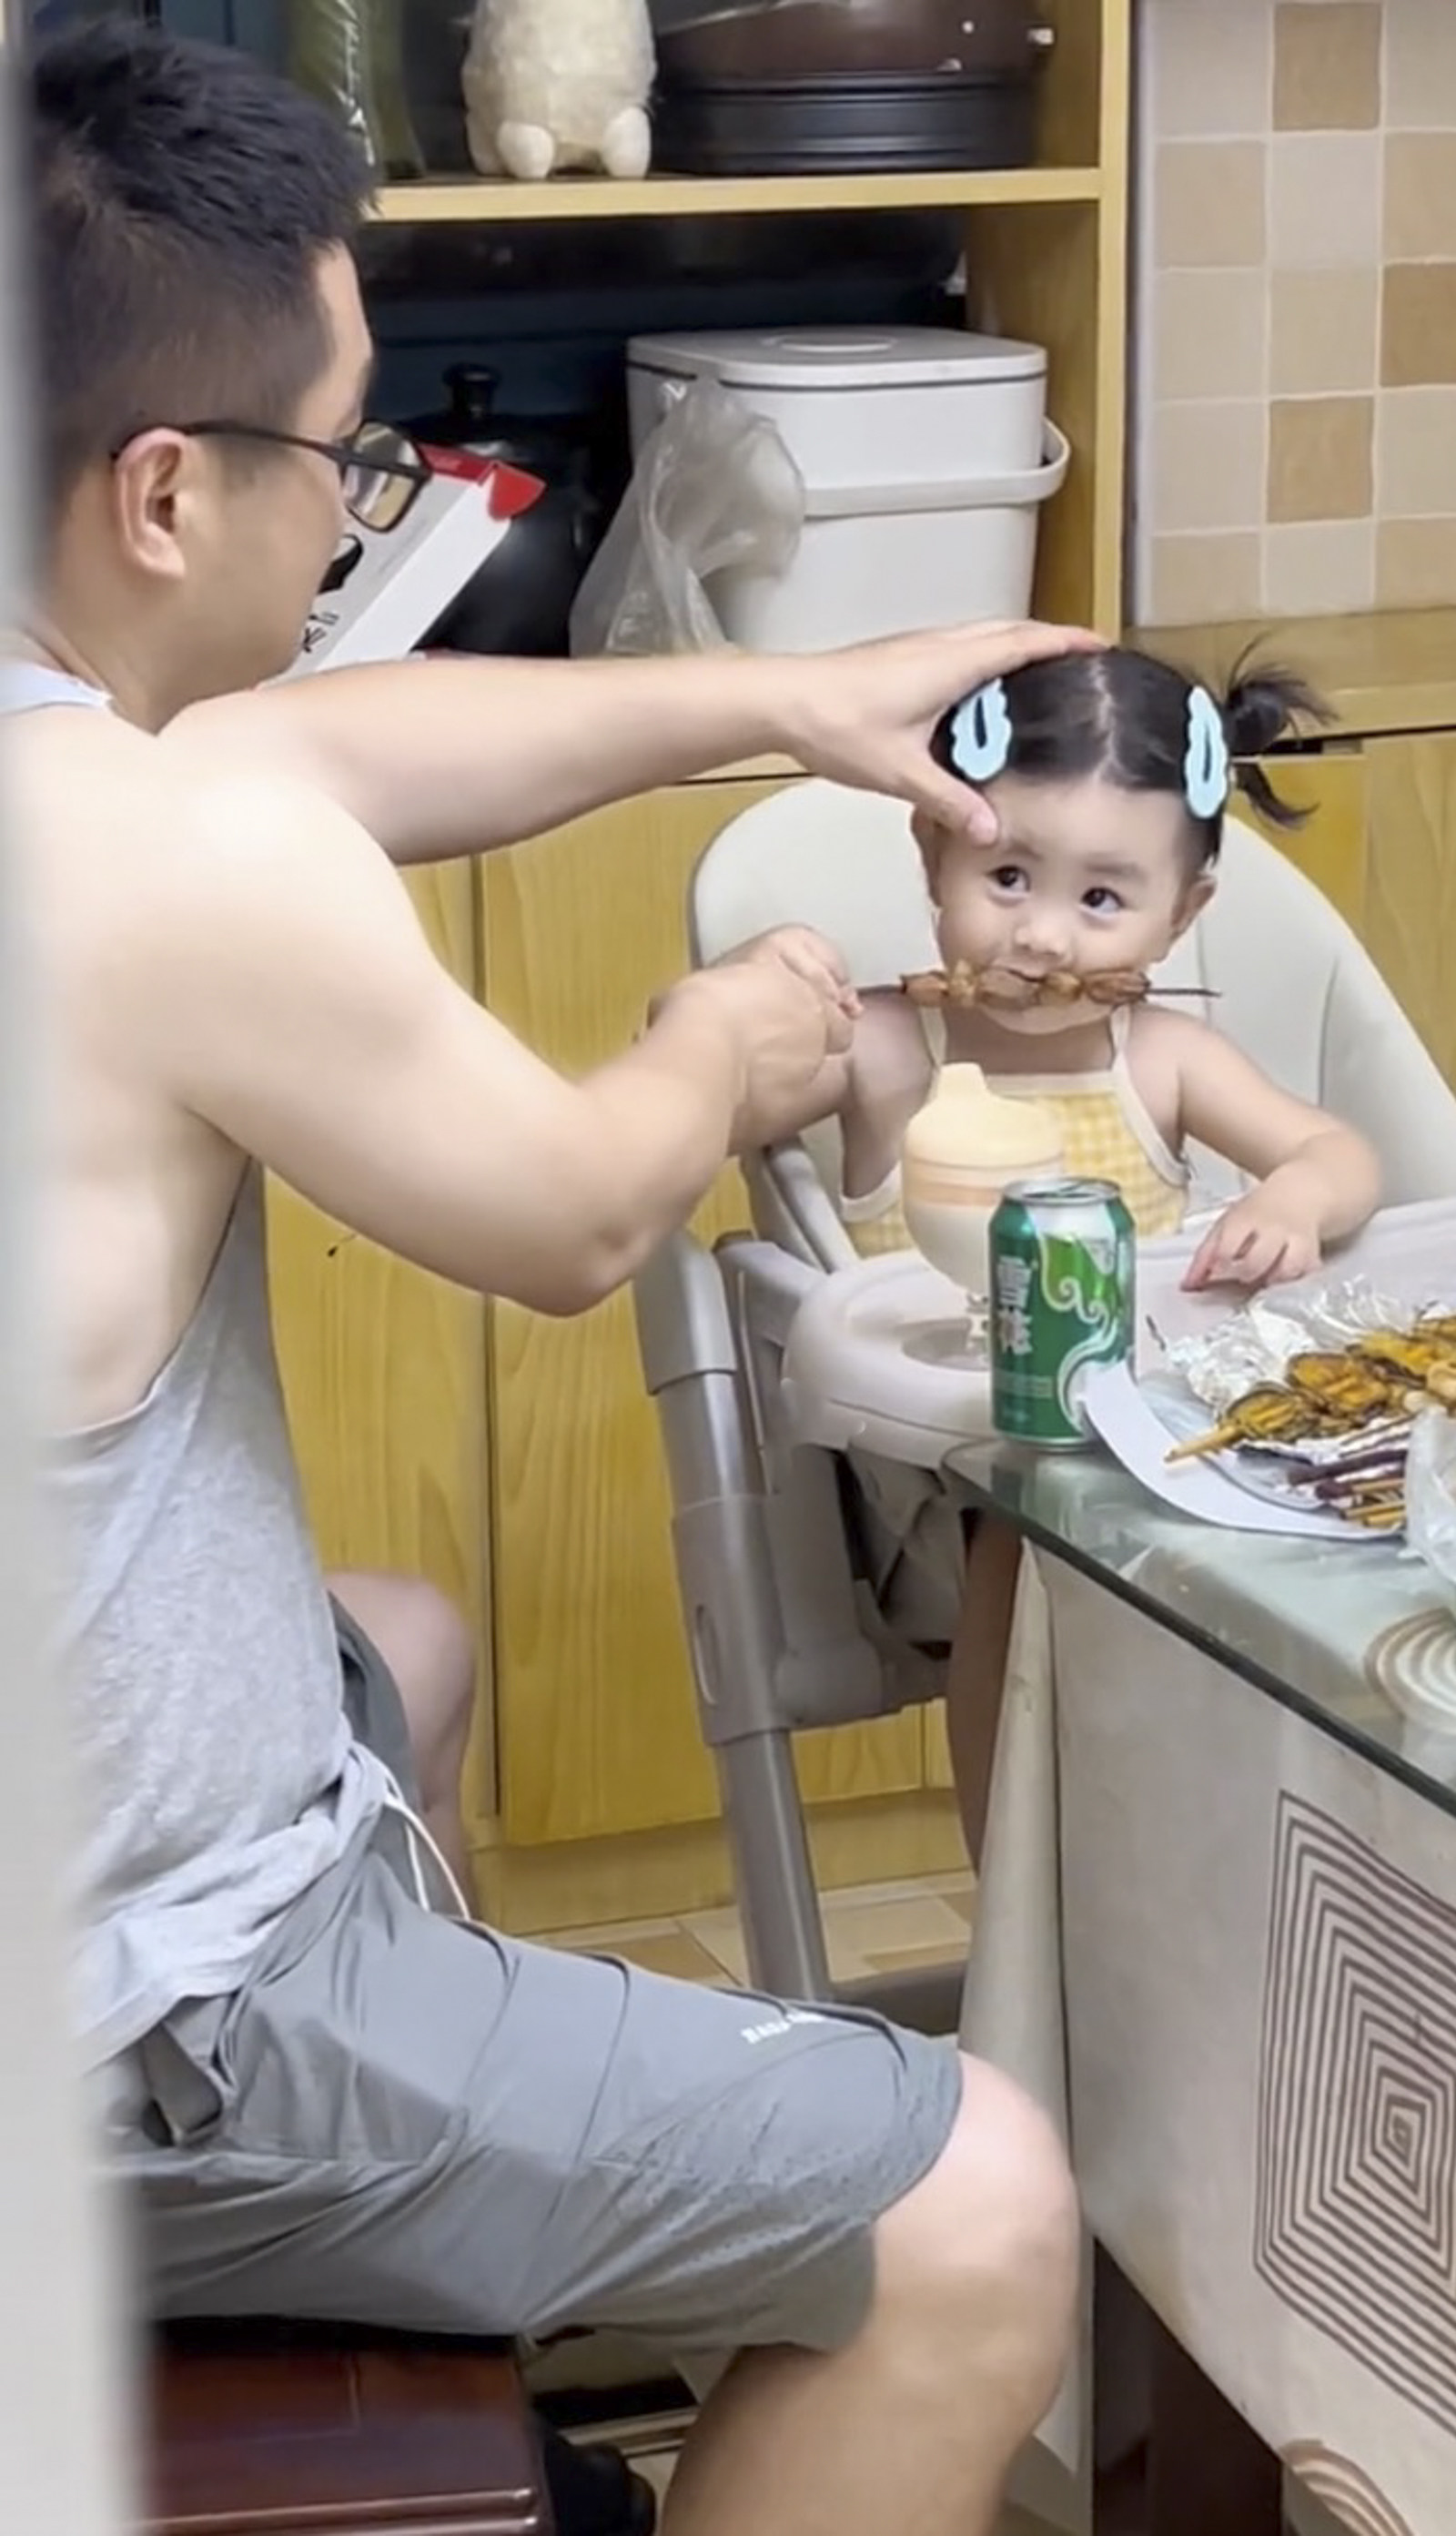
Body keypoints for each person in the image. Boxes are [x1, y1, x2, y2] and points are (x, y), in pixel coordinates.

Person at [16, 25, 1090, 2536]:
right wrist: (726, 1037)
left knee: (407, 1633)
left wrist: (771, 701)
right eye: (343, 458)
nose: (355, 517)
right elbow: (572, 1213)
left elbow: (342, 746)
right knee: (973, 2204)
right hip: (116, 2017)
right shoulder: (158, 861)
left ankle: (417, 2294)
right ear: (166, 489)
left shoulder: (92, 755)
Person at [794, 647, 1384, 1853]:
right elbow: (709, 1088)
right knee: (1040, 1527)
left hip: (1151, 1459)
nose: (1042, 937)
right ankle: (1018, 1899)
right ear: (931, 854)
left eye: (1100, 900)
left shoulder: (1162, 1060)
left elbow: (1340, 1155)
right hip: (938, 1486)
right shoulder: (881, 1048)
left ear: (1185, 913)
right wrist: (744, 1018)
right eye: (1006, 876)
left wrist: (1293, 1198)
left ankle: (1235, 1881)